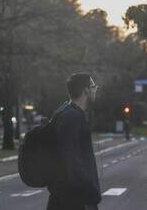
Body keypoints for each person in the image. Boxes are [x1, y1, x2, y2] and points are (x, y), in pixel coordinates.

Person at [47, 73, 101, 210]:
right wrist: (91, 188)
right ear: (86, 91)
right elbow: (71, 161)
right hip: (74, 200)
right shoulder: (71, 118)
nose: (95, 90)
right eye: (94, 86)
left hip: (68, 197)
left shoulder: (66, 113)